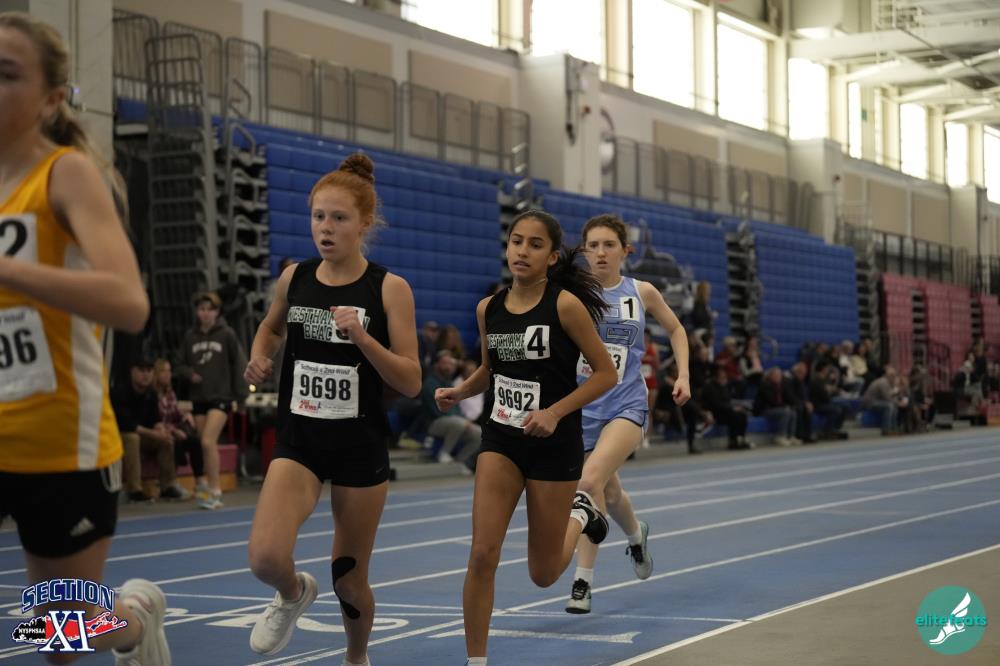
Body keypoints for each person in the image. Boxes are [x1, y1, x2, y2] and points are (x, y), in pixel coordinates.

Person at [0, 11, 168, 663]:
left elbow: (129, 303)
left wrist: (9, 270)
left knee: (62, 635)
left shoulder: (63, 174)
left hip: (61, 446)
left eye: (6, 73)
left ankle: (133, 621)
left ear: (49, 99)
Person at [243, 154, 421, 665]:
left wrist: (363, 337)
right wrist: (260, 356)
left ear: (365, 222)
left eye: (339, 218)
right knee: (265, 558)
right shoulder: (294, 278)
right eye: (318, 216)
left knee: (348, 579)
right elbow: (270, 327)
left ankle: (356, 657)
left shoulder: (389, 288)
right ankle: (293, 592)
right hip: (300, 441)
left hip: (359, 448)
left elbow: (410, 380)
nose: (326, 227)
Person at [434, 210, 617, 665]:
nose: (522, 251)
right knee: (482, 553)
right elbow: (490, 368)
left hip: (554, 445)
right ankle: (476, 661)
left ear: (552, 256)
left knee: (543, 573)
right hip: (501, 439)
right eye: (516, 241)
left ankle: (581, 512)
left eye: (535, 244)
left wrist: (554, 412)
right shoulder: (488, 308)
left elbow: (605, 374)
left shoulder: (565, 306)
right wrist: (460, 392)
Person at [564, 214, 691, 614]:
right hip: (583, 408)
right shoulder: (569, 294)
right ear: (584, 251)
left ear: (625, 250)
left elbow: (676, 330)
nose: (600, 253)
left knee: (589, 481)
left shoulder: (641, 291)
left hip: (627, 404)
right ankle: (636, 537)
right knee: (609, 492)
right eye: (593, 246)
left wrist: (683, 374)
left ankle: (582, 582)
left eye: (609, 245)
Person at [174, 290, 248, 509]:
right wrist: (189, 373)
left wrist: (241, 397)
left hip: (221, 397)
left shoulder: (227, 334)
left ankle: (215, 491)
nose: (205, 313)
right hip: (199, 398)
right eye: (201, 309)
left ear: (217, 312)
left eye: (209, 309)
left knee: (208, 441)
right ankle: (206, 486)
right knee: (204, 445)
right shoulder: (190, 336)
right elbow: (178, 363)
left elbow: (239, 364)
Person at [111, 357, 188, 502]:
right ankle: (134, 490)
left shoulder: (151, 393)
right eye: (141, 371)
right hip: (120, 435)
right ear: (133, 372)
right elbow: (128, 425)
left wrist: (161, 429)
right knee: (133, 438)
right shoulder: (120, 391)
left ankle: (168, 486)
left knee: (166, 440)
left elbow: (154, 420)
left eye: (149, 371)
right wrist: (154, 433)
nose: (146, 375)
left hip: (142, 435)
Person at [153, 358, 205, 496]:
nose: (167, 374)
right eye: (163, 371)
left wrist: (185, 416)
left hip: (173, 428)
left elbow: (175, 413)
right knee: (174, 441)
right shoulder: (152, 393)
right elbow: (157, 418)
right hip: (159, 430)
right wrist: (175, 431)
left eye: (169, 371)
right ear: (156, 374)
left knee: (194, 441)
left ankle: (200, 482)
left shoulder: (170, 392)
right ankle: (171, 483)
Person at [421, 350, 479, 470]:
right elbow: (438, 410)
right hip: (434, 423)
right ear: (436, 365)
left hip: (453, 421)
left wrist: (465, 420)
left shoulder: (449, 383)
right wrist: (463, 421)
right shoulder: (430, 383)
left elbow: (456, 407)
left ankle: (461, 461)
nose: (449, 367)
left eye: (451, 364)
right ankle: (444, 453)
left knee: (479, 433)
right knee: (458, 423)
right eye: (445, 363)